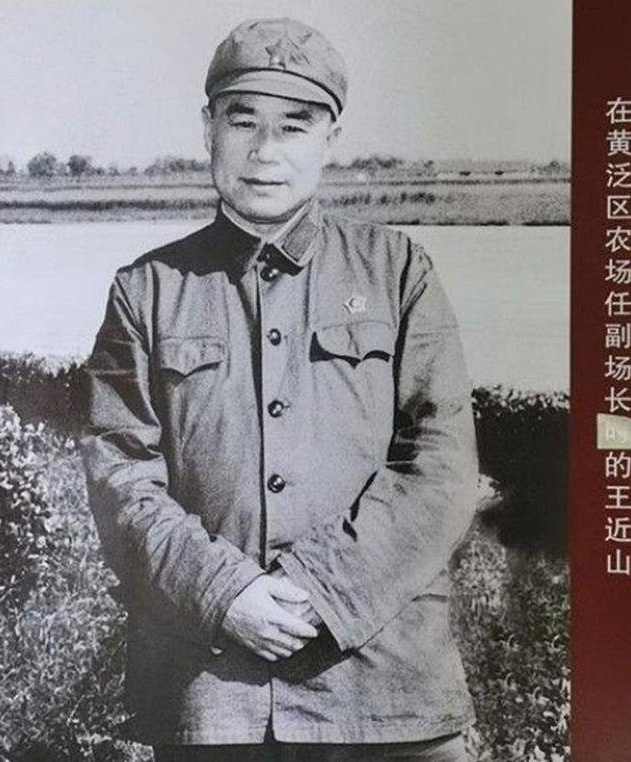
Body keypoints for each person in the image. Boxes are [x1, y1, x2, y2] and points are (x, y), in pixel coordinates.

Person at [81, 17, 479, 762]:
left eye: (294, 125)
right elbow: (121, 478)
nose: (266, 151)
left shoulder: (400, 272)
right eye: (244, 122)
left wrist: (321, 589)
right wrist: (223, 593)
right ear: (208, 129)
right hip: (212, 697)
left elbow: (441, 468)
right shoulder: (145, 292)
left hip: (387, 694)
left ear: (330, 139)